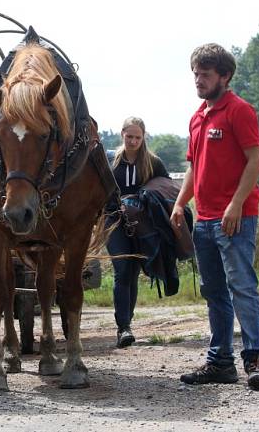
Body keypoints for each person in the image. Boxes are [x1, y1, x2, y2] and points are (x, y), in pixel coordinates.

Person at [171, 43, 259, 389]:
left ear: (224, 77)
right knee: (213, 291)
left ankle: (255, 359)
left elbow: (255, 159)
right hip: (206, 219)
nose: (198, 79)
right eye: (196, 73)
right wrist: (181, 203)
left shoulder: (239, 111)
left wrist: (236, 203)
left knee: (241, 285)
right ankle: (220, 362)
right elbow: (195, 166)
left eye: (206, 74)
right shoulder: (198, 117)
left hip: (235, 217)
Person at [106, 116, 169, 348]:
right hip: (113, 221)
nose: (133, 141)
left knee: (133, 272)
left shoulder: (153, 162)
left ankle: (127, 323)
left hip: (142, 224)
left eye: (137, 137)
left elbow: (166, 190)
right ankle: (122, 327)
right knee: (122, 269)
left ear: (144, 138)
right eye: (129, 136)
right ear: (122, 134)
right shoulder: (110, 161)